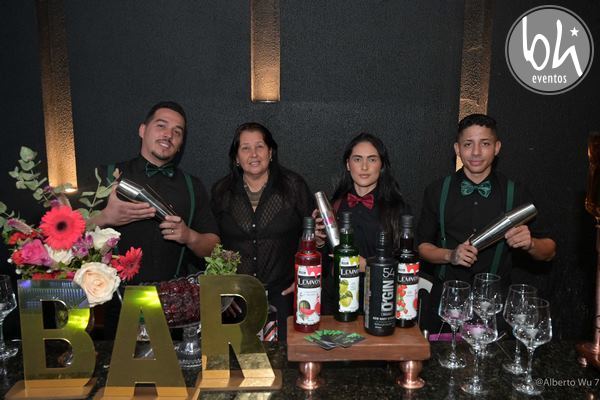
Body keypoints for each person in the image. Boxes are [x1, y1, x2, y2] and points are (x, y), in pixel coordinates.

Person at [417, 113, 556, 330]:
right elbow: (422, 247)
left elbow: (549, 251)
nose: (476, 152)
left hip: (495, 305)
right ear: (457, 149)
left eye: (485, 144)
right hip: (447, 300)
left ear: (497, 147)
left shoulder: (516, 192)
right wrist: (450, 255)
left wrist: (531, 244)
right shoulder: (437, 190)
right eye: (468, 144)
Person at [92, 101, 220, 336]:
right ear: (142, 130)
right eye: (161, 125)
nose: (168, 135)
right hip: (116, 308)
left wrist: (189, 236)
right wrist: (105, 217)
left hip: (175, 311)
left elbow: (214, 248)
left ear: (181, 144)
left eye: (177, 132)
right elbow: (64, 237)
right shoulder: (106, 176)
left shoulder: (193, 186)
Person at [211, 122, 314, 341]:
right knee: (238, 359)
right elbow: (213, 244)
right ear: (236, 157)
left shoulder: (293, 187)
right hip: (235, 301)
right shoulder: (222, 192)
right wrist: (223, 289)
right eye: (245, 148)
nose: (254, 154)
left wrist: (305, 281)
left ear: (271, 152)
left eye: (260, 146)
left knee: (283, 358)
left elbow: (314, 236)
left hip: (284, 297)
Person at [315, 132, 410, 313]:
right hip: (335, 302)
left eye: (372, 159)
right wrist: (319, 242)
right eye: (357, 159)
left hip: (379, 303)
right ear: (348, 164)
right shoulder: (334, 206)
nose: (364, 167)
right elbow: (323, 268)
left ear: (381, 165)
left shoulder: (398, 210)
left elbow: (407, 267)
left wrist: (366, 265)